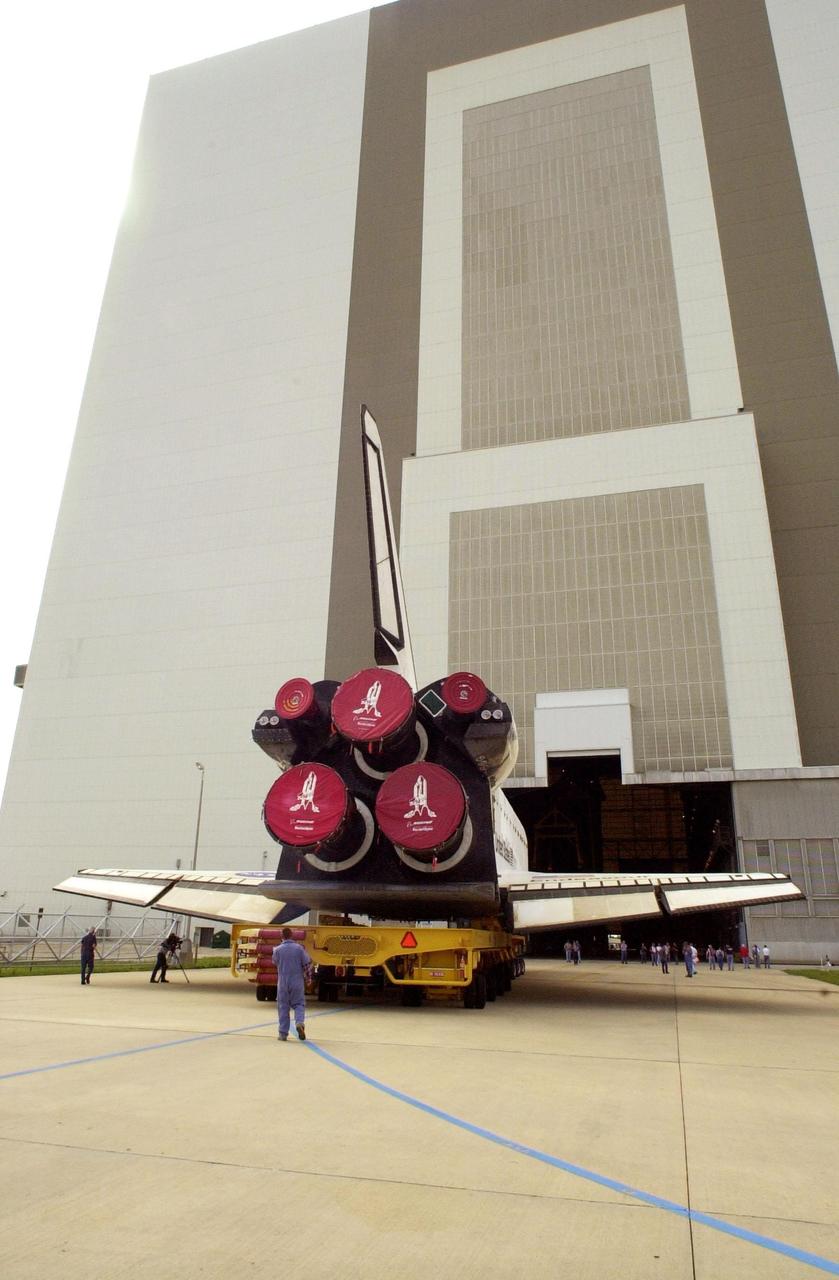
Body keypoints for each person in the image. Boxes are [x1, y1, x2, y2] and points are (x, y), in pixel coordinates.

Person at [272, 927, 313, 1041]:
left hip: (283, 982)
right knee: (299, 1004)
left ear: (282, 936)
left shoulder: (277, 950)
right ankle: (299, 1023)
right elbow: (307, 964)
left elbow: (275, 962)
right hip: (297, 980)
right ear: (292, 935)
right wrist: (309, 979)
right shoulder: (299, 949)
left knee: (283, 1007)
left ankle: (283, 1034)